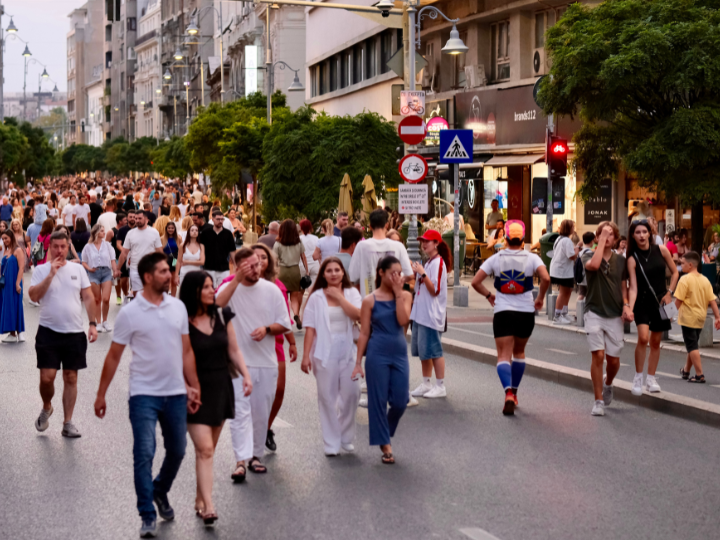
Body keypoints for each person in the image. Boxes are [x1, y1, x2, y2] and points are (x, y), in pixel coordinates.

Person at [94, 252, 201, 538]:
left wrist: (194, 385)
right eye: (165, 271)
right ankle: (147, 514)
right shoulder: (131, 313)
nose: (170, 275)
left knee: (178, 450)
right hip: (143, 394)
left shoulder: (178, 307)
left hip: (176, 392)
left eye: (170, 270)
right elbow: (114, 356)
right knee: (144, 453)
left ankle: (159, 490)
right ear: (149, 277)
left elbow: (186, 350)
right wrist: (101, 394)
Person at [179, 270, 252, 526]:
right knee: (206, 448)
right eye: (207, 287)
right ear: (194, 292)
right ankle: (209, 505)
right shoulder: (182, 321)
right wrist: (186, 387)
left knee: (207, 449)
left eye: (213, 286)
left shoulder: (222, 315)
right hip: (194, 390)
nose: (213, 290)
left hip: (221, 385)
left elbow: (233, 349)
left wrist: (245, 375)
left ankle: (200, 497)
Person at [216, 247, 291, 477]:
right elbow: (216, 306)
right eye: (250, 265)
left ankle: (255, 456)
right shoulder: (229, 287)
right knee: (240, 413)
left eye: (258, 264)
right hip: (237, 363)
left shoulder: (272, 290)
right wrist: (236, 280)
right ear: (238, 267)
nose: (256, 268)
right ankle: (240, 461)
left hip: (266, 361)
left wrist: (267, 329)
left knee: (260, 412)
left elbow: (285, 323)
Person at [471, 221, 549, 415]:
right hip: (525, 311)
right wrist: (539, 298)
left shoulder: (496, 258)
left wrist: (489, 296)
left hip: (503, 311)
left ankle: (507, 392)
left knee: (503, 355)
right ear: (522, 239)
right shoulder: (532, 258)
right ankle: (515, 392)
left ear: (505, 239)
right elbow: (546, 278)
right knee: (519, 353)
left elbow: (475, 282)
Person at [29, 230, 98, 438]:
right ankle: (47, 406)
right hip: (48, 332)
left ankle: (68, 422)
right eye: (55, 247)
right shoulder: (41, 271)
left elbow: (87, 296)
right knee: (47, 378)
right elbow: (34, 296)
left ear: (68, 247)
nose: (59, 250)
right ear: (50, 247)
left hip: (74, 332)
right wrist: (51, 273)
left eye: (63, 247)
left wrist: (93, 324)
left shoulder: (78, 269)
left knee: (71, 377)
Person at [353, 256, 412, 464]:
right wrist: (358, 362)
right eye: (393, 273)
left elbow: (403, 321)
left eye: (400, 273)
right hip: (377, 352)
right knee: (377, 400)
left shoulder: (405, 295)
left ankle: (383, 430)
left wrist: (397, 293)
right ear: (381, 273)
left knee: (400, 400)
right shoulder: (369, 300)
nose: (398, 277)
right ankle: (385, 444)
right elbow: (364, 333)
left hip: (398, 351)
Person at [301, 257, 362, 455]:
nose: (334, 273)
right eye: (329, 271)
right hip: (323, 352)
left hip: (348, 351)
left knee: (352, 393)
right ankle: (331, 442)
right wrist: (305, 356)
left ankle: (345, 435)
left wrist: (339, 297)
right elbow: (309, 327)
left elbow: (358, 315)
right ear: (323, 274)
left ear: (343, 272)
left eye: (337, 270)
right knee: (327, 397)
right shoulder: (316, 296)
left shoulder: (352, 293)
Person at [245, 243, 298, 453]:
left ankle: (265, 428)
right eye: (255, 257)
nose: (259, 260)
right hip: (248, 343)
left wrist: (292, 342)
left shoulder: (278, 286)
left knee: (279, 389)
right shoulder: (239, 283)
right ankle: (251, 433)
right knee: (249, 394)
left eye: (263, 257)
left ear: (269, 261)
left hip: (273, 342)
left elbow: (284, 318)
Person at [582, 221, 631, 417]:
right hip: (593, 310)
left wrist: (626, 305)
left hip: (614, 313)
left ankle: (608, 382)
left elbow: (623, 286)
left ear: (617, 239)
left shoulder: (620, 261)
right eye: (603, 234)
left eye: (611, 235)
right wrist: (600, 241)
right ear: (597, 237)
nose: (607, 237)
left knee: (613, 360)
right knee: (598, 356)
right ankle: (598, 400)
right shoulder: (588, 255)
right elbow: (593, 266)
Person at [626, 220, 679, 395]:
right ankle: (638, 377)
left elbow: (675, 272)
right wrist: (629, 308)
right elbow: (632, 287)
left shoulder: (661, 250)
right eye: (637, 232)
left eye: (644, 232)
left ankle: (651, 378)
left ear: (650, 233)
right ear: (633, 235)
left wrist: (670, 292)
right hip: (641, 302)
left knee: (655, 341)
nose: (641, 235)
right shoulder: (632, 258)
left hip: (661, 301)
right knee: (642, 338)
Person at [409, 229, 450, 399]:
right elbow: (419, 288)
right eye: (422, 241)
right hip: (420, 313)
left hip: (431, 315)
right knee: (423, 351)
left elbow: (435, 290)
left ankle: (440, 385)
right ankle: (426, 383)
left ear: (436, 244)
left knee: (434, 350)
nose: (424, 244)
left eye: (427, 241)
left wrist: (422, 274)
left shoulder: (438, 263)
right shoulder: (427, 263)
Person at [675, 252, 720, 383]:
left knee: (692, 346)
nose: (681, 266)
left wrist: (664, 315)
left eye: (682, 263)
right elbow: (712, 301)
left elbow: (678, 302)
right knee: (692, 344)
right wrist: (717, 317)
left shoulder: (684, 279)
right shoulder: (705, 280)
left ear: (690, 265)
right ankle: (686, 371)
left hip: (688, 317)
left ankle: (699, 374)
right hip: (701, 317)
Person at [349, 209, 413, 297]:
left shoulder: (361, 246)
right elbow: (409, 275)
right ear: (387, 225)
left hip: (369, 300)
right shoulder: (398, 246)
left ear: (370, 226)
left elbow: (353, 277)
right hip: (393, 300)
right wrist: (395, 280)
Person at [81, 224, 119, 333]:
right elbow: (83, 261)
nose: (104, 233)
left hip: (106, 272)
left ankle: (105, 321)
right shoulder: (88, 247)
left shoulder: (107, 245)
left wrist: (115, 270)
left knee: (106, 299)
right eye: (102, 231)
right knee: (97, 299)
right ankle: (98, 322)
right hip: (94, 273)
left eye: (104, 231)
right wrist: (89, 269)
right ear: (96, 232)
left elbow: (112, 259)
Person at [118, 210, 163, 296]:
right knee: (137, 294)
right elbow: (124, 253)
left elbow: (159, 251)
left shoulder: (154, 232)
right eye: (136, 218)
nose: (137, 220)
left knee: (151, 293)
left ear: (146, 220)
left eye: (140, 218)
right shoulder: (130, 233)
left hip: (151, 268)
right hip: (135, 268)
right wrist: (117, 268)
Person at [274, 219, 309, 328]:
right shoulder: (298, 242)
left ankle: (286, 318)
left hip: (282, 271)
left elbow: (274, 259)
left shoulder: (278, 243)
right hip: (295, 271)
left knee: (283, 296)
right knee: (294, 297)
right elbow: (303, 257)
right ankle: (297, 314)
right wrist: (306, 270)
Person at [549, 219, 578, 324]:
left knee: (568, 290)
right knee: (563, 292)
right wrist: (578, 249)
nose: (574, 229)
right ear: (568, 228)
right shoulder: (566, 240)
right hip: (562, 270)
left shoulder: (559, 239)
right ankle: (557, 315)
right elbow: (571, 256)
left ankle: (564, 313)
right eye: (572, 227)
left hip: (561, 269)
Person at [199, 210, 236, 288]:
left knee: (223, 290)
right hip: (208, 268)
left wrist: (236, 266)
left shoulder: (228, 234)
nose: (220, 221)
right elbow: (201, 250)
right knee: (209, 289)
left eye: (222, 219)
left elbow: (232, 251)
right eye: (218, 219)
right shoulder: (205, 233)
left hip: (224, 268)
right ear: (212, 219)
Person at [0, 230, 25, 342]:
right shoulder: (6, 251)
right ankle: (12, 333)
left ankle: (19, 333)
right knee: (9, 306)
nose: (5, 241)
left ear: (11, 237)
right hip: (5, 284)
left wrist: (17, 283)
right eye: (3, 239)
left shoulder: (17, 250)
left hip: (14, 282)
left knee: (17, 305)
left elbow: (21, 267)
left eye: (6, 238)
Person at [176, 224, 205, 292]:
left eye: (196, 230)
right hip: (184, 272)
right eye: (192, 230)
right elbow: (178, 261)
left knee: (195, 293)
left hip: (197, 273)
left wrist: (187, 262)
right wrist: (176, 275)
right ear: (189, 232)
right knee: (184, 293)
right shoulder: (183, 245)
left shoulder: (201, 246)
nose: (194, 232)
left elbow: (202, 262)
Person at [162, 221, 181, 297]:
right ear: (166, 229)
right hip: (165, 260)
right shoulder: (162, 238)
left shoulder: (178, 238)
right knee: (165, 280)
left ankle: (173, 298)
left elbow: (181, 250)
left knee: (174, 280)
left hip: (174, 259)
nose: (170, 229)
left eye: (172, 228)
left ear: (175, 229)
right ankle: (165, 298)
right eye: (169, 228)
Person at [299, 219, 320, 286]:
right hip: (315, 264)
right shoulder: (316, 238)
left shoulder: (298, 239)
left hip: (302, 265)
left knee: (302, 289)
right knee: (313, 287)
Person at [576, 232, 595, 300]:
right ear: (592, 241)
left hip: (581, 276)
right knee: (590, 295)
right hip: (587, 277)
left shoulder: (581, 251)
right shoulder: (589, 252)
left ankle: (578, 308)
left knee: (581, 294)